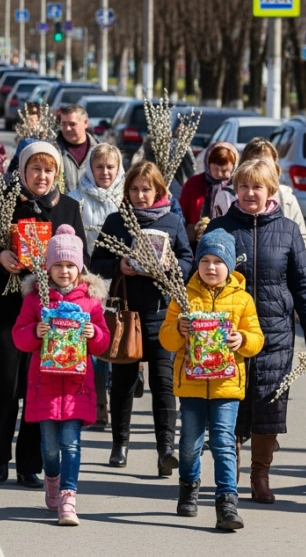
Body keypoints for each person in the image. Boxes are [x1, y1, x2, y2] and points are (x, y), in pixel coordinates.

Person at [206, 158, 306, 504]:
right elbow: (202, 278)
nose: (249, 193)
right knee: (232, 403)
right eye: (243, 186)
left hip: (275, 335)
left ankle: (260, 475)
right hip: (228, 334)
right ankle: (231, 471)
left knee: (269, 405)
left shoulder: (287, 230)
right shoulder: (221, 228)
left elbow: (304, 285)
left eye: (257, 186)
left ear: (270, 189)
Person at [0, 140, 86, 488]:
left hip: (51, 314)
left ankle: (29, 464)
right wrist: (1, 257)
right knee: (5, 385)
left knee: (39, 385)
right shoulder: (4, 203)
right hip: (7, 308)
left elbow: (83, 261)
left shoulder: (68, 208)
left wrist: (65, 277)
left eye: (49, 169)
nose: (42, 176)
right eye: (35, 169)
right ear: (22, 171)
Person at [90, 160, 192, 475]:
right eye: (134, 189)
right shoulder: (116, 221)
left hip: (162, 316)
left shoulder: (172, 222)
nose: (140, 195)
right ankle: (119, 445)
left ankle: (166, 450)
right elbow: (95, 261)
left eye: (146, 189)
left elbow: (188, 258)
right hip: (125, 314)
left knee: (164, 385)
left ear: (159, 190)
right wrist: (118, 265)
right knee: (122, 382)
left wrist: (171, 268)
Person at [160, 228, 264, 531]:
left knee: (223, 443)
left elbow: (257, 339)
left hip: (226, 385)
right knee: (190, 445)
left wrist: (240, 339)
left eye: (218, 261)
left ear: (229, 266)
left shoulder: (243, 300)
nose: (210, 267)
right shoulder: (183, 296)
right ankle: (189, 487)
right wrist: (178, 330)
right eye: (204, 260)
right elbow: (165, 340)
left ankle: (227, 503)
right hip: (191, 385)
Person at [12, 225, 111, 526]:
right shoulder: (35, 301)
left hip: (77, 386)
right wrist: (35, 332)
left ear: (80, 269)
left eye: (70, 265)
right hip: (44, 386)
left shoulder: (91, 303)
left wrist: (94, 333)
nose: (64, 271)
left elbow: (103, 342)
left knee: (71, 443)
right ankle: (52, 479)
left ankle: (69, 496)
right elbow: (19, 337)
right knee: (49, 448)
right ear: (48, 267)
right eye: (58, 265)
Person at [67, 143, 126, 429]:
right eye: (99, 167)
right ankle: (97, 403)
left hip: (121, 282)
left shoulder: (127, 199)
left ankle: (113, 398)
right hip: (87, 281)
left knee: (116, 344)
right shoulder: (76, 199)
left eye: (110, 167)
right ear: (90, 169)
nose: (105, 172)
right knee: (91, 344)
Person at [211, 138, 306, 244]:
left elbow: (301, 238)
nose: (260, 167)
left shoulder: (286, 196)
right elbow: (218, 237)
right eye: (255, 161)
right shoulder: (226, 196)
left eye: (266, 162)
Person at [180, 141, 238, 243]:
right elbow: (182, 214)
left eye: (225, 170)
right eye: (216, 169)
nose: (219, 174)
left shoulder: (237, 186)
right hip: (196, 241)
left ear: (233, 167)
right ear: (208, 164)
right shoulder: (194, 184)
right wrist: (194, 228)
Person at [56, 105, 98, 192]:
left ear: (85, 123)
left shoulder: (98, 151)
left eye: (72, 124)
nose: (67, 128)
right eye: (64, 124)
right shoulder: (53, 150)